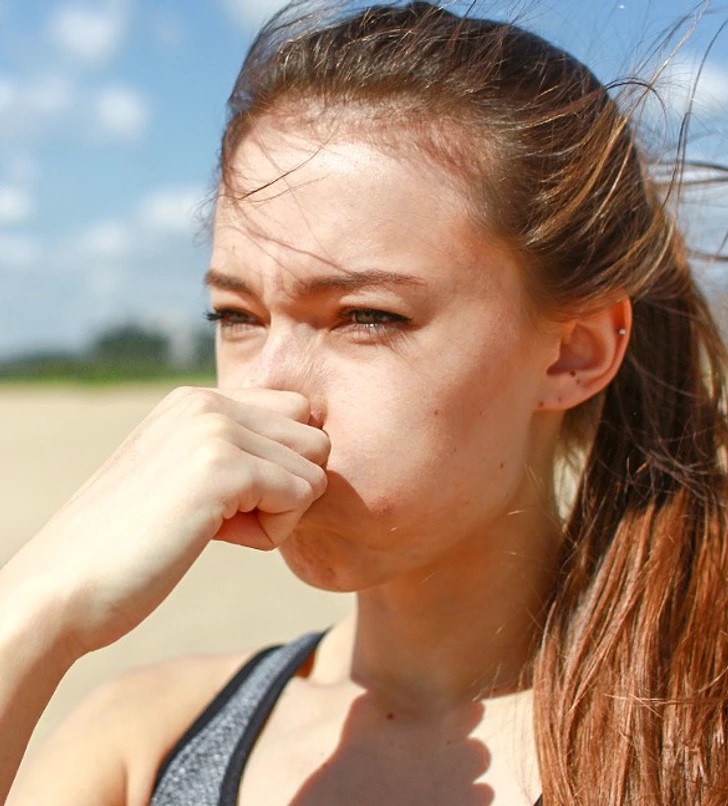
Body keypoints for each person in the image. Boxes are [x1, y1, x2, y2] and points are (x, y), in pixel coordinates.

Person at [1, 1, 727, 803]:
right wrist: (37, 608)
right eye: (235, 316)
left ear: (574, 351)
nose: (268, 392)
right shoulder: (145, 743)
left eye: (367, 317)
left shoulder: (691, 742)